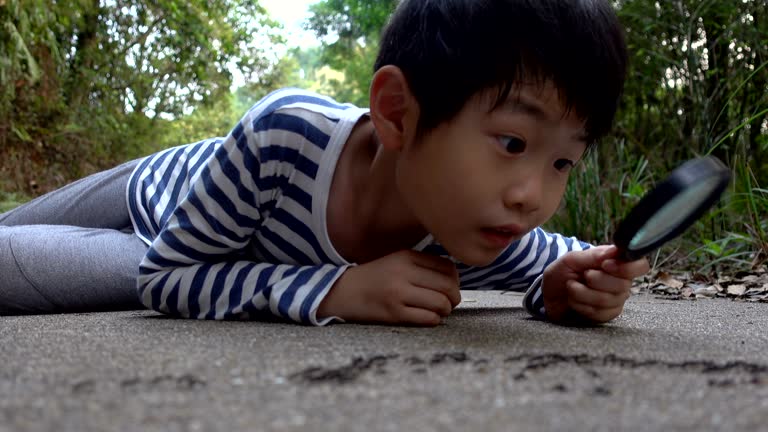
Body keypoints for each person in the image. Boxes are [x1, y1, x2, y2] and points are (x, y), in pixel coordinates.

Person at [0, 0, 650, 326]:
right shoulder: (285, 133)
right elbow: (172, 275)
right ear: (398, 113)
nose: (532, 197)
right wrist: (337, 291)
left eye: (564, 162)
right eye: (513, 143)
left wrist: (569, 286)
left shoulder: (479, 225)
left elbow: (556, 264)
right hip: (170, 185)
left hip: (168, 252)